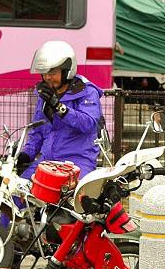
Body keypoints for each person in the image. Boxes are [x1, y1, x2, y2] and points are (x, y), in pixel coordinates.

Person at [17, 40, 103, 180]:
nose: (47, 77)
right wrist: (26, 154)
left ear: (67, 71)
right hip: (47, 160)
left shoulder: (86, 91)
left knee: (74, 192)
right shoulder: (46, 94)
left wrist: (58, 107)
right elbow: (38, 131)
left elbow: (88, 124)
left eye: (52, 72)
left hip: (78, 161)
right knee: (18, 188)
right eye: (44, 73)